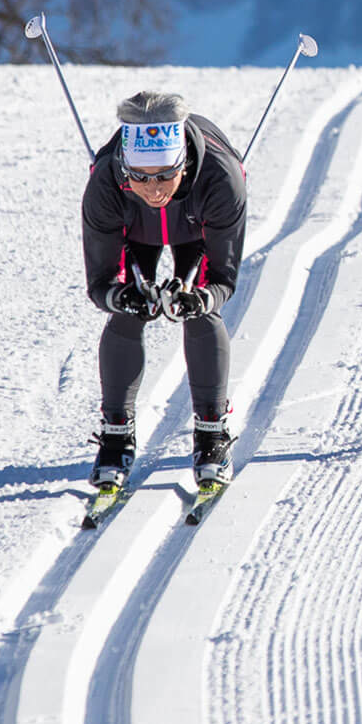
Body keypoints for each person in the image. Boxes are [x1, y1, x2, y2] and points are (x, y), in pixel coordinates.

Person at [81, 90, 248, 488]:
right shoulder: (106, 182)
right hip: (133, 228)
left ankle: (211, 432)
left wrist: (201, 297)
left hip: (196, 224)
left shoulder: (222, 178)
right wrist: (121, 296)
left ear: (184, 164)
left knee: (201, 312)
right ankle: (116, 433)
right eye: (139, 176)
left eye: (164, 175)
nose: (153, 189)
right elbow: (100, 282)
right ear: (125, 166)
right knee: (126, 313)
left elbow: (223, 278)